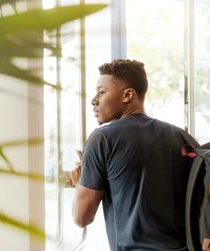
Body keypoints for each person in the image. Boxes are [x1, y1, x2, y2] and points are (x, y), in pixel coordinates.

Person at [70, 59, 195, 250]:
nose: (94, 100)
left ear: (128, 95)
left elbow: (81, 217)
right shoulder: (181, 136)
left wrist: (80, 182)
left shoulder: (102, 139)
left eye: (102, 92)